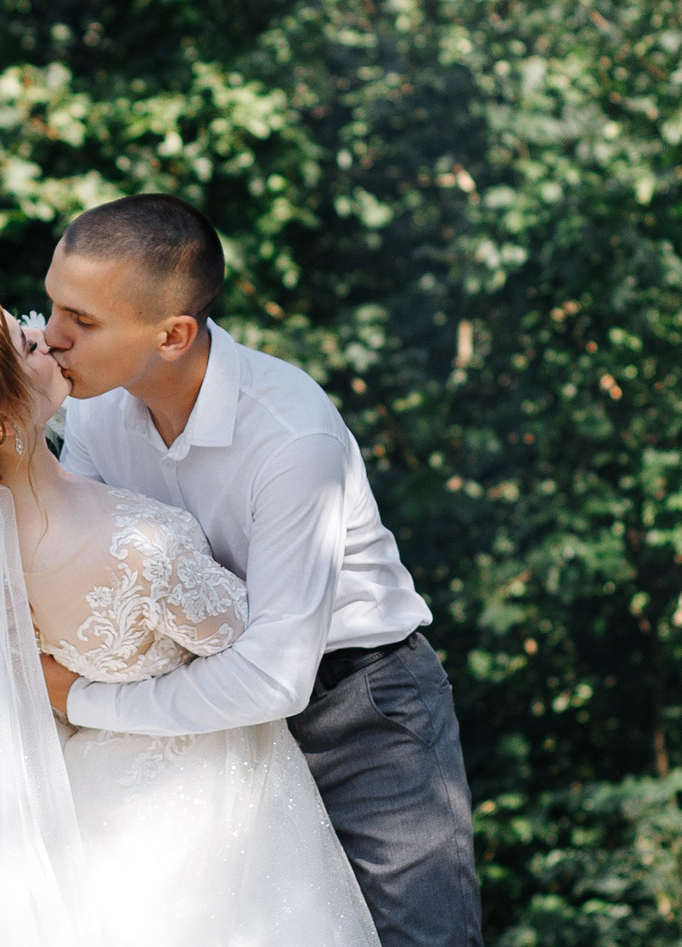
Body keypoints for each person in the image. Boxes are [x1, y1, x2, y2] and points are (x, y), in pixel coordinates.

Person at [0, 274, 376, 947]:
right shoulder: (135, 545)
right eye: (27, 342)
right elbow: (251, 644)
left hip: (90, 807)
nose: (49, 336)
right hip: (206, 815)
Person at [40, 194, 481, 947]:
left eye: (81, 322)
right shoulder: (91, 410)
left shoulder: (290, 436)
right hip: (197, 722)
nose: (51, 339)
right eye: (53, 306)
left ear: (173, 333)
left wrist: (84, 699)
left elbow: (277, 677)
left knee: (421, 939)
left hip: (360, 706)